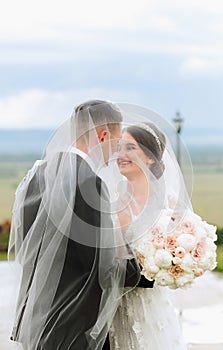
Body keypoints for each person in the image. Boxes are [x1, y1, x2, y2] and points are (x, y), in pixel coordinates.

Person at [8, 100, 152, 350]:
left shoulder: (37, 175)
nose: (116, 153)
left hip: (38, 319)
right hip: (74, 324)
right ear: (103, 135)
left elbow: (26, 243)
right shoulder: (89, 183)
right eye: (116, 143)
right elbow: (101, 266)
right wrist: (152, 271)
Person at [109, 122, 188, 349]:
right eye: (120, 147)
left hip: (149, 305)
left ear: (150, 157)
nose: (121, 155)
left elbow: (180, 249)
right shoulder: (109, 199)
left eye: (130, 148)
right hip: (111, 305)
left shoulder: (168, 202)